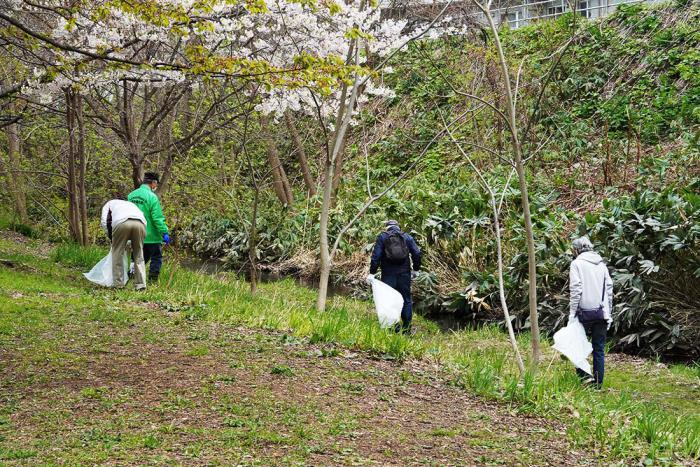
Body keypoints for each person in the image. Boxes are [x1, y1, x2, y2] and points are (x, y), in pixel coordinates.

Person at [569, 236, 613, 389]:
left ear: (577, 249)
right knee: (599, 348)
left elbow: (576, 290)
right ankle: (598, 384)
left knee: (577, 346)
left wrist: (572, 314)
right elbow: (609, 290)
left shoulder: (576, 264)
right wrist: (609, 313)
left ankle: (585, 377)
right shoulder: (602, 265)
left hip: (583, 313)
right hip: (601, 313)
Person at [368, 220, 422, 333]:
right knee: (406, 299)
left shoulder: (383, 237)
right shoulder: (407, 237)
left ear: (387, 227)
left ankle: (394, 327)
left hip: (388, 274)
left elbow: (376, 256)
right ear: (398, 227)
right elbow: (416, 253)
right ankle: (406, 328)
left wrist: (372, 272)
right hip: (404, 273)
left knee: (389, 299)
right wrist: (416, 269)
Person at [128, 172, 170, 282]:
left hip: (135, 233)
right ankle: (152, 280)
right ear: (153, 183)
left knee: (137, 257)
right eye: (156, 184)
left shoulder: (131, 195)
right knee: (156, 257)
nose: (156, 187)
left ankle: (131, 276)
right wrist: (164, 232)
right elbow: (157, 218)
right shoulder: (152, 197)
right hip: (151, 235)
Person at [100, 199, 147, 290]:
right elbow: (143, 217)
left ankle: (119, 284)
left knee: (117, 253)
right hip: (141, 223)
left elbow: (105, 222)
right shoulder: (131, 205)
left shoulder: (109, 204)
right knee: (139, 254)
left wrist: (111, 238)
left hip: (121, 223)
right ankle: (141, 285)